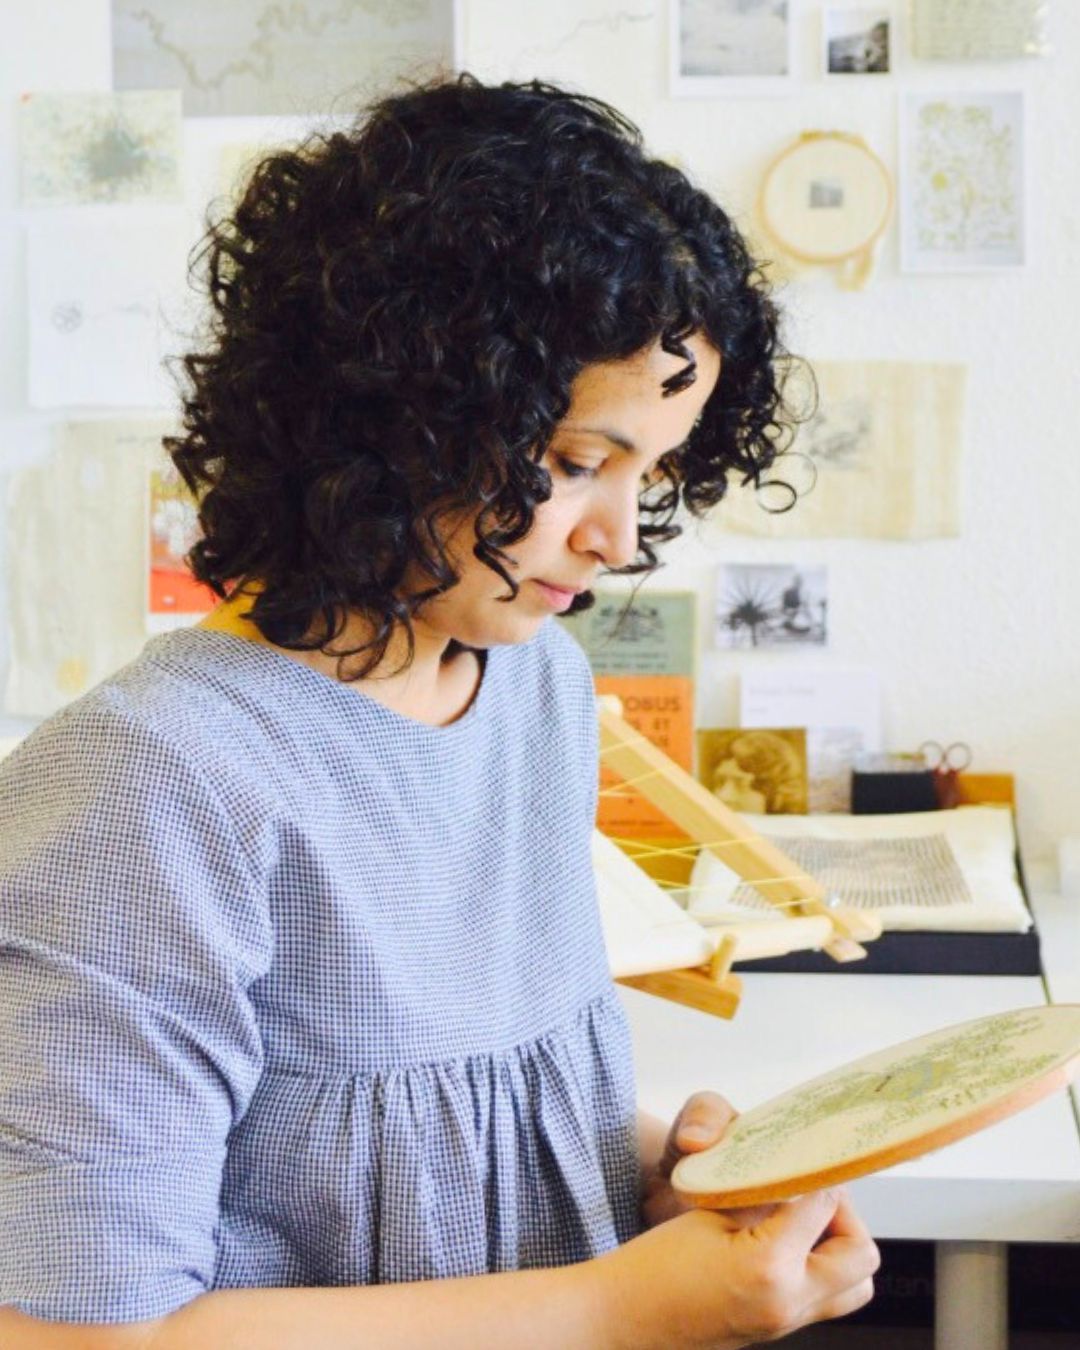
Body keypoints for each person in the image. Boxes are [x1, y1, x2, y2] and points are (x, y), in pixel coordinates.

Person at [0, 75, 879, 1349]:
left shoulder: (534, 685)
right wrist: (623, 1309)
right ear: (398, 414)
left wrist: (666, 1179)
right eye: (578, 463)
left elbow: (431, 1135)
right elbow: (75, 1335)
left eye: (655, 472)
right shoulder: (149, 788)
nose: (619, 537)